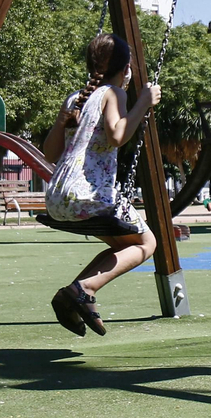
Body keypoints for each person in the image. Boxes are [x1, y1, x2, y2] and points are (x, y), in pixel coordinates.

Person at [39, 33, 162, 337]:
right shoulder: (113, 93)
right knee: (148, 244)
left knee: (124, 246)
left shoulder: (76, 98)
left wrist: (60, 122)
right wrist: (143, 103)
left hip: (57, 198)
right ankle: (84, 287)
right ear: (126, 68)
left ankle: (73, 294)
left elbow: (49, 154)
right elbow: (117, 134)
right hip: (89, 194)